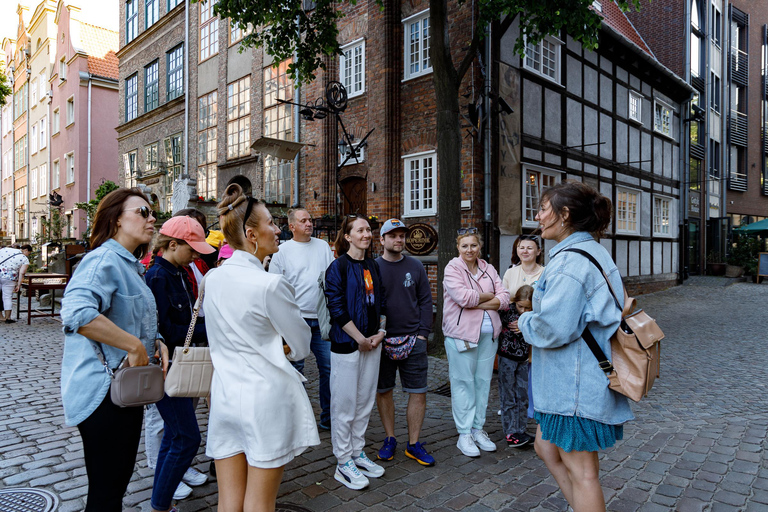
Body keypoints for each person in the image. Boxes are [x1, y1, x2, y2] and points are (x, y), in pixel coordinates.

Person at [518, 182, 634, 512]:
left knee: (583, 473)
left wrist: (524, 321)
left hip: (574, 385)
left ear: (565, 215)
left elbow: (553, 328)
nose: (538, 216)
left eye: (543, 208)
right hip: (567, 381)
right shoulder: (590, 251)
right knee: (545, 447)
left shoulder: (571, 263)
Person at [204, 184, 319, 512]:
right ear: (252, 234)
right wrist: (278, 349)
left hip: (225, 397)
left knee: (229, 502)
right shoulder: (270, 284)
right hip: (264, 401)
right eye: (271, 222)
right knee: (260, 504)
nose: (278, 228)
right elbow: (301, 345)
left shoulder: (212, 279)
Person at [60, 188, 169, 512]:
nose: (152, 219)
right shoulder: (104, 260)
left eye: (152, 214)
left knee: (113, 489)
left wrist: (156, 340)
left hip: (124, 391)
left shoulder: (130, 265)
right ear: (116, 219)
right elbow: (76, 313)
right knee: (106, 495)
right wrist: (134, 345)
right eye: (142, 212)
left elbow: (132, 317)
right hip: (102, 394)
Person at [144, 216, 215, 512]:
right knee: (186, 437)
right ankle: (161, 504)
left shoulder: (177, 272)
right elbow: (168, 331)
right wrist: (212, 328)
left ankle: (161, 501)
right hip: (167, 365)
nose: (196, 255)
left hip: (178, 364)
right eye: (192, 249)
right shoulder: (158, 276)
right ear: (172, 245)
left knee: (176, 435)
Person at [325, 215, 387, 490]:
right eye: (360, 230)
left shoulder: (372, 265)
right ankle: (343, 461)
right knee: (345, 404)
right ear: (348, 236)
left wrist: (381, 333)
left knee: (363, 403)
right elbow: (336, 308)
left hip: (373, 343)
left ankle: (357, 451)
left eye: (369, 230)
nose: (367, 234)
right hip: (348, 345)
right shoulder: (337, 267)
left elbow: (381, 302)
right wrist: (360, 338)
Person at [442, 228, 509, 458]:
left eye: (473, 245)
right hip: (461, 335)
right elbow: (462, 297)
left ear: (479, 247)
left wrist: (481, 300)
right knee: (463, 382)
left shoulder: (488, 269)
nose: (469, 250)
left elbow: (505, 299)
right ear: (458, 248)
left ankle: (478, 429)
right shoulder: (453, 268)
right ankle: (464, 433)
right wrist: (490, 297)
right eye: (465, 246)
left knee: (483, 382)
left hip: (489, 336)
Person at [374, 219, 434, 466]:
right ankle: (390, 438)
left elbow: (425, 301)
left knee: (418, 393)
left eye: (402, 236)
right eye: (393, 236)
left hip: (413, 339)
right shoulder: (373, 268)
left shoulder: (416, 266)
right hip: (382, 340)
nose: (399, 240)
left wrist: (422, 335)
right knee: (384, 391)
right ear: (382, 240)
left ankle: (413, 443)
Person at [269, 207, 334, 430]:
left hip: (321, 319)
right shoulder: (282, 251)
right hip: (295, 321)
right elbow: (274, 287)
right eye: (304, 220)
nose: (309, 224)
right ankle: (295, 420)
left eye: (310, 220)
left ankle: (329, 417)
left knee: (329, 367)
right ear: (292, 226)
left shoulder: (323, 246)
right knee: (295, 370)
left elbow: (331, 279)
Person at [497, 284, 534, 448]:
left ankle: (521, 430)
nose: (524, 311)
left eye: (528, 308)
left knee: (522, 395)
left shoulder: (532, 316)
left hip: (523, 359)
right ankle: (510, 432)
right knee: (508, 395)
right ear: (515, 302)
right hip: (507, 359)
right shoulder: (508, 312)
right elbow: (515, 324)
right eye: (521, 307)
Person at [0, 244, 31, 323]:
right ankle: (7, 318)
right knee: (7, 297)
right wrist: (19, 284)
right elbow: (22, 273)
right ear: (26, 250)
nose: (28, 255)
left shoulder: (4, 250)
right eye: (29, 253)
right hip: (10, 278)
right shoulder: (24, 259)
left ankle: (1, 317)